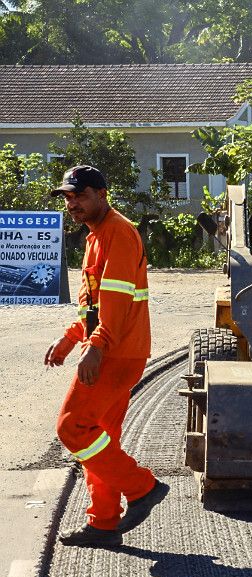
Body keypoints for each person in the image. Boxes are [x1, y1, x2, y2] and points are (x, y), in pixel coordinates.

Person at [45, 165, 168, 548]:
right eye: (68, 198)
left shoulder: (118, 232)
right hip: (113, 348)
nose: (72, 204)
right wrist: (71, 338)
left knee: (72, 428)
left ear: (102, 194)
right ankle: (103, 524)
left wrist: (95, 347)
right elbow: (95, 307)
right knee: (100, 441)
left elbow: (115, 302)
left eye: (79, 196)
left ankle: (142, 487)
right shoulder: (97, 235)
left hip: (116, 353)